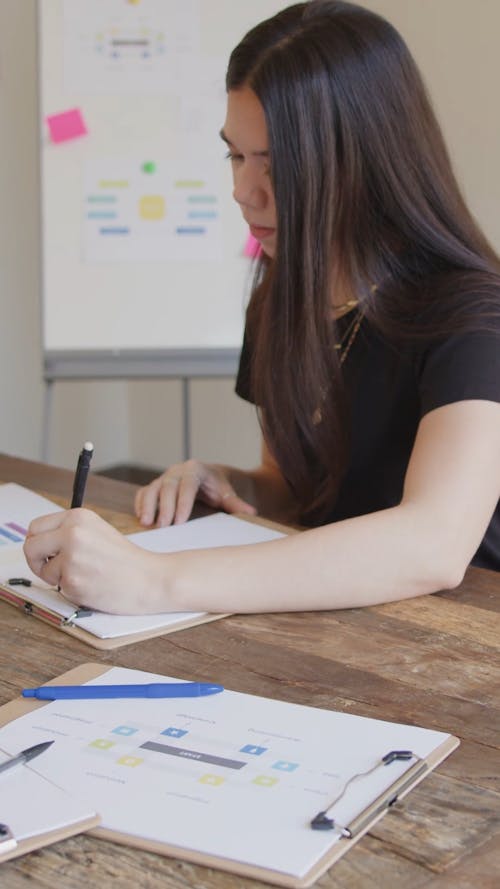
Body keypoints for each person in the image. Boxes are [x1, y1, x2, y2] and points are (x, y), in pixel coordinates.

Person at [25, 0, 500, 615]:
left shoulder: (474, 315)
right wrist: (232, 484)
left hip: (458, 646)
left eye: (274, 165)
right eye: (235, 155)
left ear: (362, 160)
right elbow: (295, 490)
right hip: (334, 626)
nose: (242, 192)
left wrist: (155, 582)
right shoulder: (282, 294)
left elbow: (433, 544)